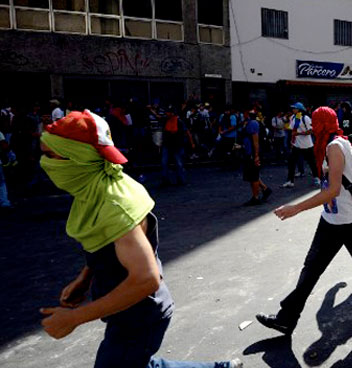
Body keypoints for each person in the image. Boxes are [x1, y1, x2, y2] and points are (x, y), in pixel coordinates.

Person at [38, 110, 241, 368]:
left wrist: (74, 317)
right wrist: (86, 276)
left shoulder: (114, 202)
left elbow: (145, 279)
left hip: (138, 317)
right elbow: (107, 245)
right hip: (127, 311)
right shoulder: (97, 185)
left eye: (49, 155)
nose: (44, 164)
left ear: (77, 157)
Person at [256, 107, 352, 334]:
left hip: (348, 219)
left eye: (316, 122)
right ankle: (287, 318)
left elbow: (333, 189)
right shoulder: (334, 142)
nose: (313, 126)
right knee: (311, 268)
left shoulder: (334, 146)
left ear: (324, 123)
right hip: (331, 218)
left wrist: (297, 207)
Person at [281, 102, 320, 188]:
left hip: (307, 145)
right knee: (291, 163)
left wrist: (299, 134)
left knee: (312, 163)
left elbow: (311, 131)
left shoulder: (305, 118)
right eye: (293, 108)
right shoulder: (293, 117)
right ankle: (290, 181)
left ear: (299, 109)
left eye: (295, 108)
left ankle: (317, 178)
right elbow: (293, 131)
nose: (293, 110)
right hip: (296, 145)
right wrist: (292, 142)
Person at [242, 111, 272, 206]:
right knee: (251, 175)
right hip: (249, 152)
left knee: (254, 176)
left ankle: (256, 197)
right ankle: (265, 189)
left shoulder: (253, 124)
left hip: (252, 153)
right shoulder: (250, 123)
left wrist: (256, 156)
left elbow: (255, 141)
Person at [161, 106, 187, 186]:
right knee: (165, 163)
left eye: (168, 112)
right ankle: (166, 180)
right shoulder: (166, 121)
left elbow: (183, 133)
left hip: (176, 145)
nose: (167, 114)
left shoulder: (178, 122)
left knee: (178, 163)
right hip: (168, 144)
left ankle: (180, 179)